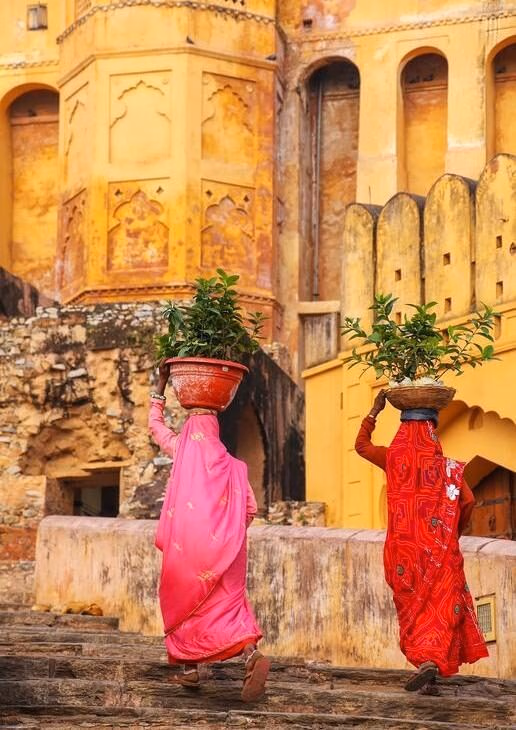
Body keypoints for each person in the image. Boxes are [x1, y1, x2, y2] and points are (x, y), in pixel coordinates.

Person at [149, 361, 270, 702]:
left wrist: (160, 385)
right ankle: (251, 656)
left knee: (184, 602)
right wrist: (225, 534)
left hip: (187, 550)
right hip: (226, 550)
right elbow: (249, 509)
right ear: (216, 432)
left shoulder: (181, 451)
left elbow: (155, 426)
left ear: (189, 433)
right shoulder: (235, 466)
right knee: (228, 606)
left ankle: (189, 669)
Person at [355, 389, 488, 693]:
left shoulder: (392, 457)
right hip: (439, 551)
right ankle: (433, 662)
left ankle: (425, 665)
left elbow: (361, 446)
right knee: (442, 608)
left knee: (413, 608)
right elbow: (467, 501)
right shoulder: (447, 469)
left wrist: (374, 412)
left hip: (403, 553)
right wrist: (451, 532)